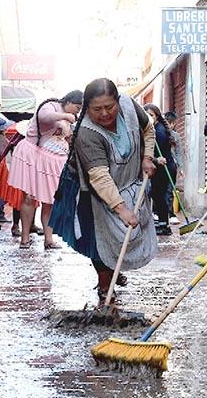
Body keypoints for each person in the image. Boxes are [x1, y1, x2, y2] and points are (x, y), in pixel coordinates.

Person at [49, 78, 158, 300]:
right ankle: (105, 284)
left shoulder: (129, 105)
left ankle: (113, 269)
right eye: (97, 109)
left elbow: (148, 128)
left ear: (118, 101)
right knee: (98, 237)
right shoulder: (87, 133)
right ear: (86, 108)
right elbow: (99, 177)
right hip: (91, 188)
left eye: (110, 106)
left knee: (123, 235)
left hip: (127, 181)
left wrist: (147, 157)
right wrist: (121, 209)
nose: (105, 114)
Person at [8, 91, 83, 250]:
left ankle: (49, 239)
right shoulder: (50, 106)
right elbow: (44, 117)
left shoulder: (68, 117)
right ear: (68, 101)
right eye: (76, 107)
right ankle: (25, 238)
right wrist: (65, 117)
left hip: (56, 160)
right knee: (29, 197)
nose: (77, 111)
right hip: (37, 156)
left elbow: (65, 136)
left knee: (50, 200)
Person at [143, 104, 176, 236]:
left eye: (151, 115)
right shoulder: (152, 129)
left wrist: (156, 159)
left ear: (156, 116)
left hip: (164, 168)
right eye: (147, 116)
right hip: (159, 167)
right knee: (156, 194)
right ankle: (162, 222)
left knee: (160, 195)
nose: (149, 118)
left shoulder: (159, 131)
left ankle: (164, 225)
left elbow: (158, 152)